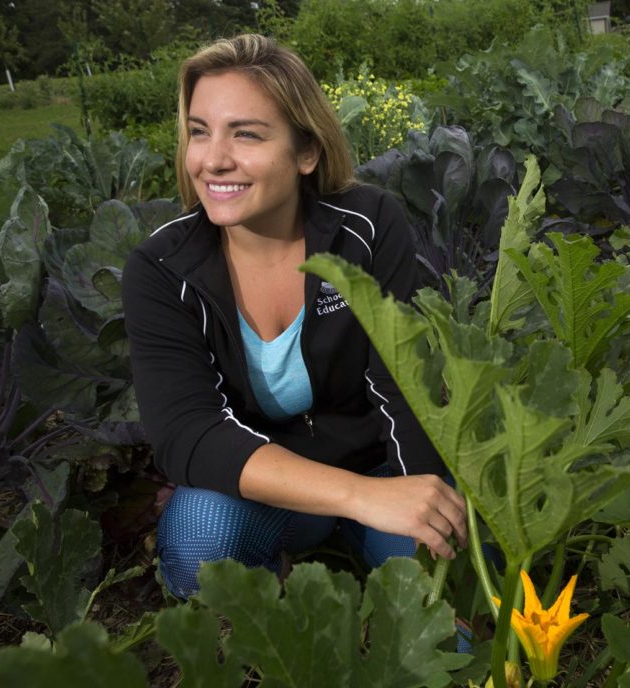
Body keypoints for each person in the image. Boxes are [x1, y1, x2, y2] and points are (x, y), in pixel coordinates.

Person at [121, 34, 467, 600]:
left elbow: (407, 388)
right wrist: (356, 498)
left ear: (306, 152)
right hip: (266, 488)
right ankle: (284, 587)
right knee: (199, 544)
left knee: (446, 578)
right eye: (200, 131)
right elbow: (189, 435)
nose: (213, 160)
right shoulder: (162, 269)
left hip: (382, 467)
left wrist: (411, 499)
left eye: (246, 134)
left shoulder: (368, 227)